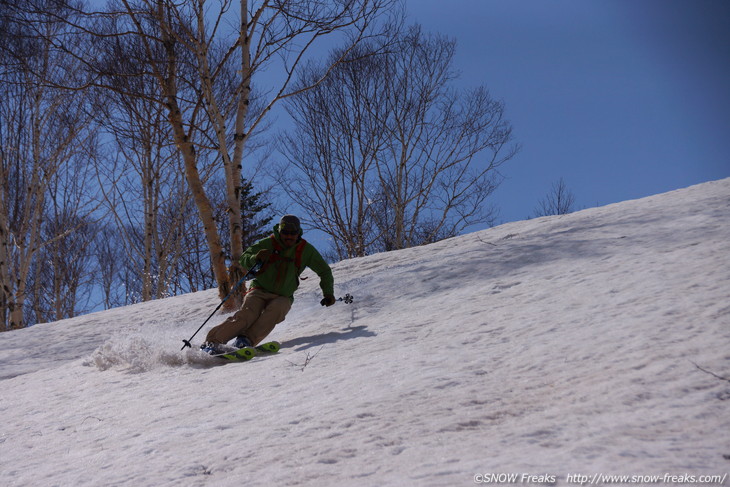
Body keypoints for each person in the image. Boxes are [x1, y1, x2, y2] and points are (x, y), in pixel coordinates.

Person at [200, 215, 335, 354]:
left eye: (292, 233)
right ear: (280, 231)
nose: (289, 236)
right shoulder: (268, 243)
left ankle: (245, 341)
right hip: (259, 290)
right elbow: (244, 259)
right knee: (247, 315)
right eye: (285, 233)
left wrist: (328, 293)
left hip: (283, 296)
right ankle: (213, 342)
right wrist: (255, 257)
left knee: (276, 310)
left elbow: (324, 271)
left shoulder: (306, 250)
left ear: (298, 233)